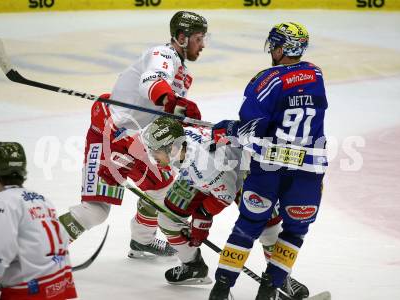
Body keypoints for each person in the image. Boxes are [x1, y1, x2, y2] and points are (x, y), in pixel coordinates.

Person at [58, 11, 208, 258]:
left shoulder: (183, 74)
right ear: (182, 37)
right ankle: (41, 248)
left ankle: (142, 240)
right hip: (110, 136)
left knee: (165, 188)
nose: (202, 45)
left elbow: (164, 114)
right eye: (198, 38)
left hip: (138, 142)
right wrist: (172, 101)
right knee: (95, 211)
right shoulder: (163, 54)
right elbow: (151, 82)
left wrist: (184, 120)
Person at [208, 22, 328, 300]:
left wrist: (227, 129)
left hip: (270, 166)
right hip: (309, 169)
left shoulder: (267, 79)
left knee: (248, 225)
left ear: (282, 48)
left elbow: (252, 129)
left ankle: (221, 289)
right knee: (295, 231)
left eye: (275, 44)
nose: (272, 50)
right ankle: (269, 290)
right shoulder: (316, 73)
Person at [141, 117, 308, 298]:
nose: (153, 157)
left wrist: (200, 223)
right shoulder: (183, 145)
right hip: (203, 176)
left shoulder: (205, 165)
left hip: (244, 173)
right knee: (168, 219)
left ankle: (281, 278)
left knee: (269, 228)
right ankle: (193, 266)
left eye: (155, 152)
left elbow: (224, 196)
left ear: (171, 149)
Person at [0, 142, 77, 300]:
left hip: (27, 293)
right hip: (58, 287)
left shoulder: (0, 203)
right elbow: (61, 241)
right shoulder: (42, 199)